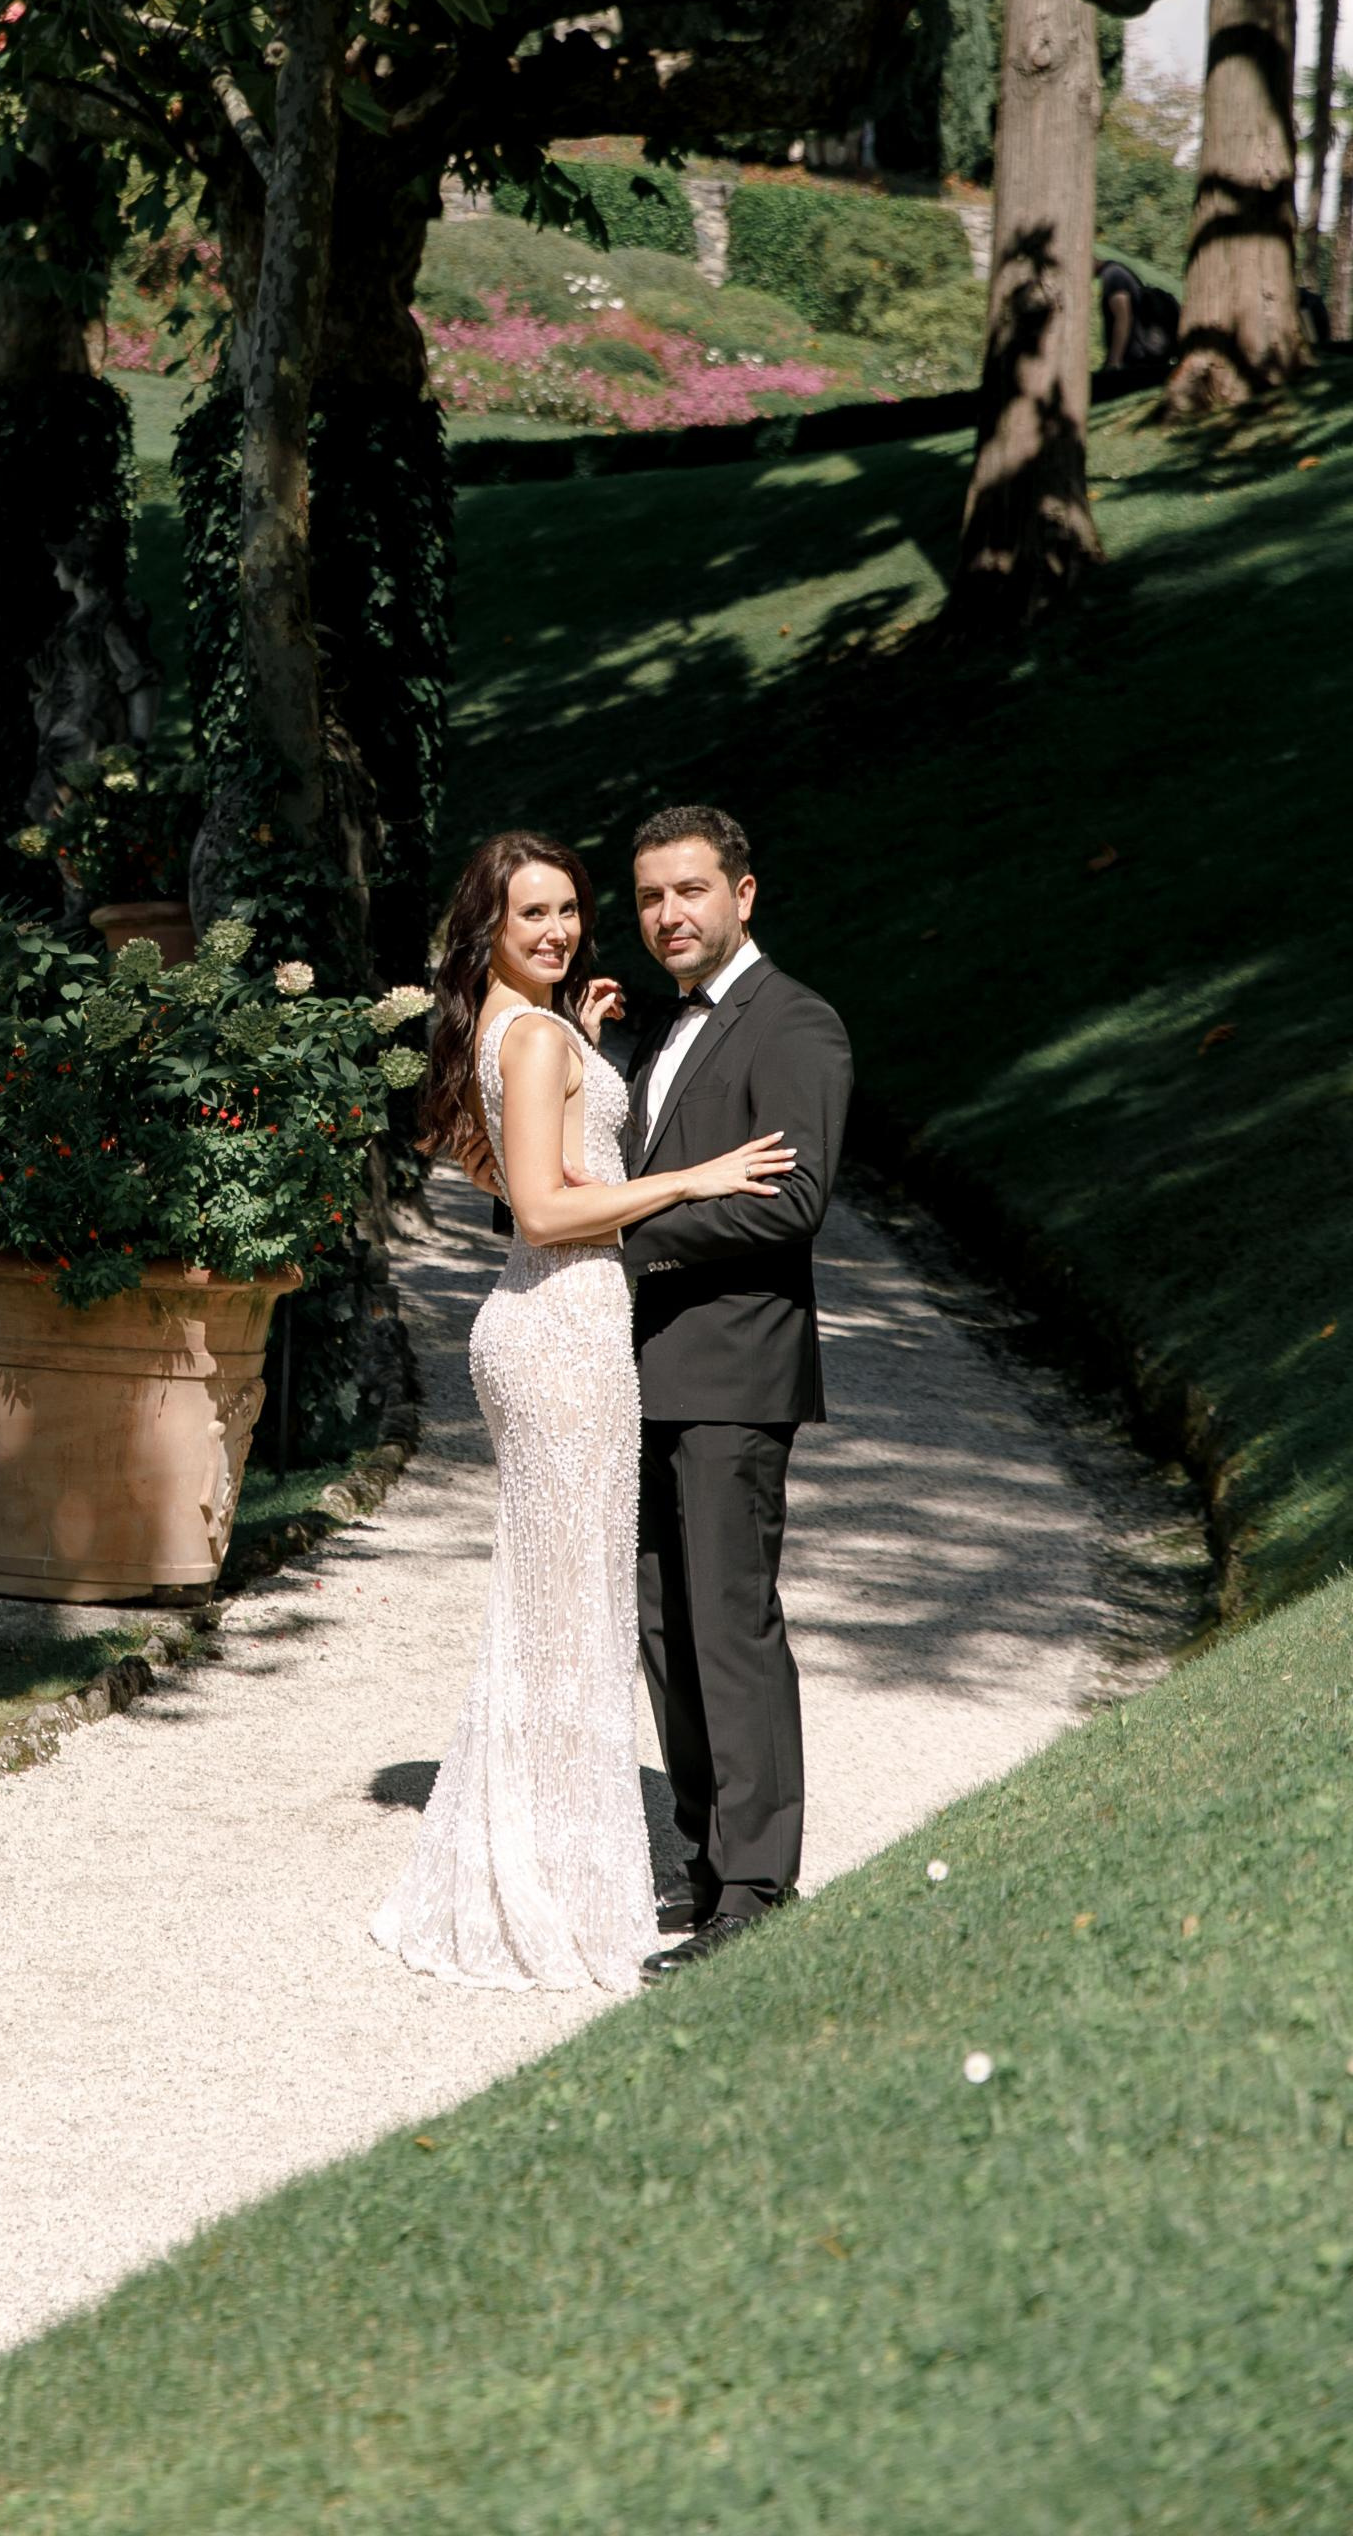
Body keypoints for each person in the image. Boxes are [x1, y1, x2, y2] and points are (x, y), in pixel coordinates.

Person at [371, 830, 796, 1993]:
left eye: (566, 910)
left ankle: (549, 1855)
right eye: (530, 917)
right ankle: (550, 1879)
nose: (556, 931)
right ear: (491, 932)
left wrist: (584, 1055)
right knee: (573, 1607)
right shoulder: (533, 1035)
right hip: (561, 1328)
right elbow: (550, 1213)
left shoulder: (516, 1032)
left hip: (539, 1327)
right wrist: (686, 1178)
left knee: (557, 1601)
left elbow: (485, 1160)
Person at [606, 805, 851, 1971]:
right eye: (651, 896)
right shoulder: (658, 1031)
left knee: (727, 1625)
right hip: (639, 1379)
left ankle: (755, 1886)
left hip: (731, 1376)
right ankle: (704, 1866)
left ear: (742, 895)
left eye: (689, 891)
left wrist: (635, 1240)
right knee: (663, 1627)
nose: (668, 915)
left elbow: (789, 1200)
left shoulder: (792, 1022)